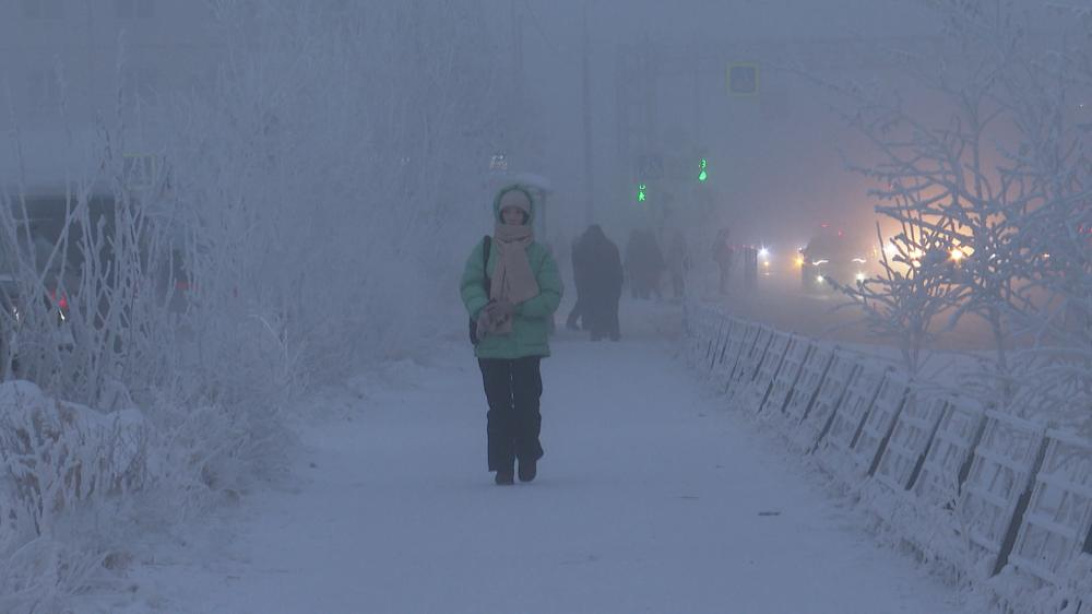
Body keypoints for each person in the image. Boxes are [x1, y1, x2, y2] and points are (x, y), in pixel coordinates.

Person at [460, 185, 563, 486]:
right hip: (492, 342)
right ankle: (503, 465)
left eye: (519, 212)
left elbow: (552, 294)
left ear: (527, 215)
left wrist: (517, 307)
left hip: (528, 344)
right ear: (500, 213)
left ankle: (528, 455)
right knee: (499, 408)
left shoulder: (539, 254)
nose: (514, 216)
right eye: (509, 211)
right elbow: (470, 285)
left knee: (528, 405)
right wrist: (483, 308)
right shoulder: (485, 249)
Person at [578, 225, 623, 341]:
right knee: (612, 309)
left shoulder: (591, 248)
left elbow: (586, 268)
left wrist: (584, 284)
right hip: (611, 283)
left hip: (596, 284)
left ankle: (597, 332)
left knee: (596, 309)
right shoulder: (611, 246)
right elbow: (617, 267)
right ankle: (614, 332)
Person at [566, 233, 590, 330]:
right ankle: (572, 320)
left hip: (580, 279)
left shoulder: (576, 251)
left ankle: (584, 322)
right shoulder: (579, 252)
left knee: (584, 300)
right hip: (583, 279)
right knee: (583, 301)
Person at [666, 230, 690, 300]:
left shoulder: (672, 244)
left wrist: (667, 263)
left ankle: (677, 293)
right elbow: (686, 253)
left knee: (676, 279)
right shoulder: (682, 243)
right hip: (679, 264)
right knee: (679, 278)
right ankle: (680, 293)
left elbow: (669, 255)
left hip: (675, 264)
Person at [713, 228, 734, 295]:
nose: (728, 236)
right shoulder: (721, 241)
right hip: (722, 261)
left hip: (722, 260)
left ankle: (723, 289)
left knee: (724, 275)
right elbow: (723, 250)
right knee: (724, 275)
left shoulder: (720, 240)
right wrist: (730, 251)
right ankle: (722, 290)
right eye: (727, 234)